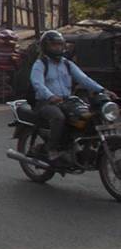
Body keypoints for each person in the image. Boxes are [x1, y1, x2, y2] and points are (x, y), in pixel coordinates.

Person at [31, 30, 118, 161]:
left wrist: (103, 90)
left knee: (86, 115)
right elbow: (37, 83)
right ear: (46, 47)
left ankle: (77, 143)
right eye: (54, 45)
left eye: (60, 45)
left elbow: (84, 79)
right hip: (46, 102)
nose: (57, 48)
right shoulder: (40, 64)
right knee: (59, 117)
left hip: (66, 100)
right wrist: (50, 96)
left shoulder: (66, 63)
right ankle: (52, 148)